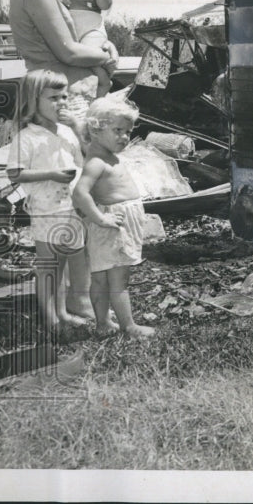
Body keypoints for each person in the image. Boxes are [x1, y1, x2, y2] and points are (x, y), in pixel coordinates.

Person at [6, 69, 92, 330]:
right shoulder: (27, 137)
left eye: (64, 97)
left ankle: (65, 313)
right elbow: (15, 174)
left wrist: (78, 128)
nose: (61, 103)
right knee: (49, 268)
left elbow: (85, 160)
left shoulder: (66, 133)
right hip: (46, 211)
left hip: (72, 209)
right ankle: (51, 318)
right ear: (34, 101)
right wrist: (51, 174)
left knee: (66, 264)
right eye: (54, 98)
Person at [72, 96, 155, 338]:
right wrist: (100, 219)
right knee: (119, 281)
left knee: (101, 278)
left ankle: (103, 324)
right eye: (117, 130)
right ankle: (129, 326)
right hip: (112, 225)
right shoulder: (97, 162)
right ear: (96, 129)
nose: (124, 137)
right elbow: (79, 193)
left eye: (127, 132)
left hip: (110, 225)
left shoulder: (102, 156)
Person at [50, 0, 114, 98]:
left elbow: (106, 5)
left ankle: (104, 82)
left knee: (90, 54)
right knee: (75, 63)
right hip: (72, 32)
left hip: (92, 29)